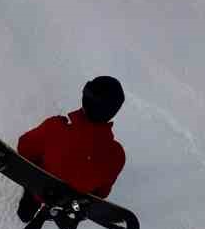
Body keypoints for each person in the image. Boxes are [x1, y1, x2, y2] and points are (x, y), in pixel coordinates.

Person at [15, 76, 127, 221]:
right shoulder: (117, 156)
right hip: (71, 203)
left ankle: (27, 209)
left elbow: (24, 148)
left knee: (35, 185)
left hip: (40, 190)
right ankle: (60, 212)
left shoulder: (55, 127)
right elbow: (101, 193)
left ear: (84, 99)